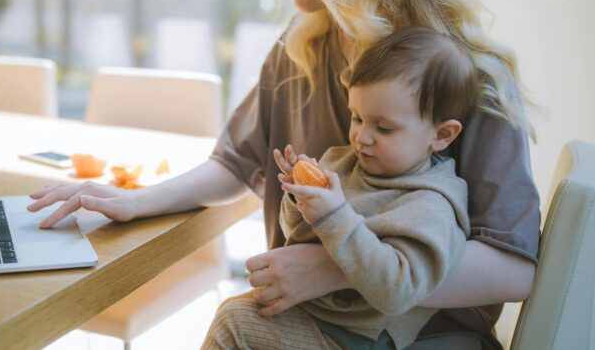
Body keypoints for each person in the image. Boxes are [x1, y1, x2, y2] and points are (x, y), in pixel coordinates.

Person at [27, 0, 540, 348]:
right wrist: (139, 201)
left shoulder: (472, 77)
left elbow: (513, 268)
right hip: (307, 323)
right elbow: (236, 164)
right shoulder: (301, 50)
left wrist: (337, 267)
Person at [203, 27, 477, 349]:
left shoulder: (431, 205)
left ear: (442, 135)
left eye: (384, 127)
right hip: (314, 314)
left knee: (234, 323)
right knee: (235, 310)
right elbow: (297, 236)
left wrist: (334, 215)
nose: (361, 136)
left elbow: (398, 291)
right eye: (356, 117)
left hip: (356, 338)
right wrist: (301, 198)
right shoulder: (344, 162)